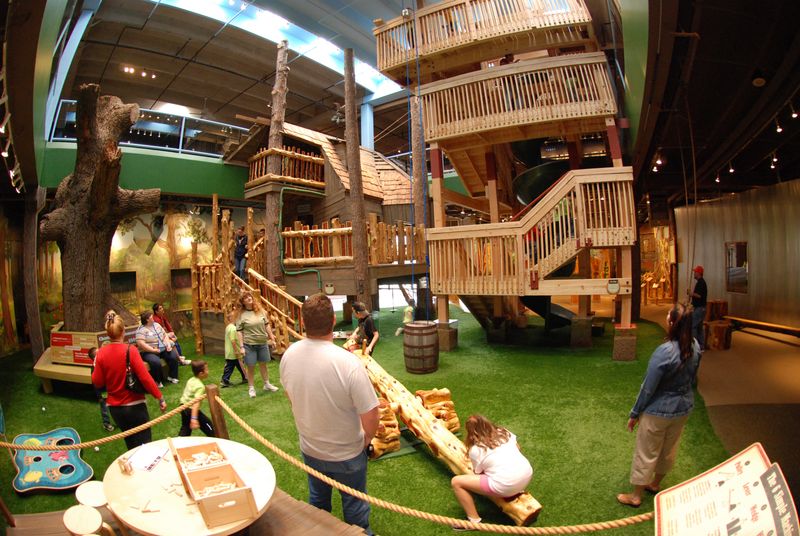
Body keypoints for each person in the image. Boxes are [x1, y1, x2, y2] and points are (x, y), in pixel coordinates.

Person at [280, 293, 380, 535]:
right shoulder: (347, 363)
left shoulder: (288, 356)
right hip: (347, 453)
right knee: (355, 510)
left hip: (311, 449)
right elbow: (371, 413)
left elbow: (291, 397)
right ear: (333, 321)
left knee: (318, 507)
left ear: (303, 323)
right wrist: (365, 439)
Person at [616, 303, 702, 507]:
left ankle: (636, 496)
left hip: (659, 410)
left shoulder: (665, 352)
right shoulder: (695, 346)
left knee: (647, 450)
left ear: (672, 322)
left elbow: (648, 387)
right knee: (669, 448)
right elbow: (693, 378)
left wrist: (635, 413)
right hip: (683, 408)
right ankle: (655, 483)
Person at [92, 311, 167, 450]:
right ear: (123, 331)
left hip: (116, 410)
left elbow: (97, 381)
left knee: (131, 445)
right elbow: (145, 377)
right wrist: (160, 397)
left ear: (108, 332)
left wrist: (96, 363)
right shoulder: (130, 350)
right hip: (135, 406)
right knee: (144, 446)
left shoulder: (101, 353)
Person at [450, 415, 533, 530]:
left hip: (506, 486)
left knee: (456, 482)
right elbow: (518, 448)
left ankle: (473, 520)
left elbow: (478, 473)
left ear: (471, 432)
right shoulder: (504, 432)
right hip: (527, 474)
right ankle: (514, 489)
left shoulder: (476, 449)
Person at [236, 291, 279, 398]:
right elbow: (239, 331)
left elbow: (267, 325)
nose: (249, 298)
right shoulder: (241, 315)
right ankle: (251, 388)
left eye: (249, 296)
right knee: (250, 366)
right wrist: (241, 347)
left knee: (263, 364)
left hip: (262, 343)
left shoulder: (261, 311)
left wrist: (272, 338)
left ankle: (267, 384)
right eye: (246, 298)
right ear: (243, 302)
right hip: (249, 345)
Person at [136, 310, 181, 387]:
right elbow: (141, 344)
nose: (153, 317)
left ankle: (172, 376)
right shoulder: (141, 330)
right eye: (151, 316)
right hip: (148, 352)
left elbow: (165, 335)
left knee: (173, 356)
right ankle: (158, 381)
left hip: (161, 348)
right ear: (147, 319)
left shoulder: (157, 325)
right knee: (155, 362)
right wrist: (152, 350)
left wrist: (168, 345)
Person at [178, 360, 214, 437]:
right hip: (190, 410)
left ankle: (178, 444)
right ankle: (217, 439)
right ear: (201, 373)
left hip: (182, 406)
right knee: (209, 426)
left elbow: (189, 394)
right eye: (206, 369)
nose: (208, 371)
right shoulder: (200, 386)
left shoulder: (191, 380)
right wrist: (194, 418)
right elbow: (196, 403)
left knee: (186, 428)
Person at [88, 347, 115, 432]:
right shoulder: (94, 368)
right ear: (94, 357)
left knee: (115, 406)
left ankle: (118, 421)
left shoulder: (104, 362)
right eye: (98, 352)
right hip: (102, 391)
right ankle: (107, 424)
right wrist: (99, 396)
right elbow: (95, 383)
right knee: (104, 408)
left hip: (111, 388)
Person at [221, 309, 248, 388]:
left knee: (239, 365)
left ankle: (245, 377)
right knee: (230, 367)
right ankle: (225, 380)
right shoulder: (233, 328)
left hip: (231, 352)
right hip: (233, 352)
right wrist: (236, 351)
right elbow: (233, 341)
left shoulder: (228, 327)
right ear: (232, 318)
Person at [688, 265, 707, 351]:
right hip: (700, 308)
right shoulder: (700, 282)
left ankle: (695, 346)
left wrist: (691, 293)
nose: (694, 274)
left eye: (695, 272)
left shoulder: (701, 283)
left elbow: (699, 295)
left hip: (699, 308)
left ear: (699, 273)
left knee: (693, 326)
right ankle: (701, 346)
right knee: (699, 327)